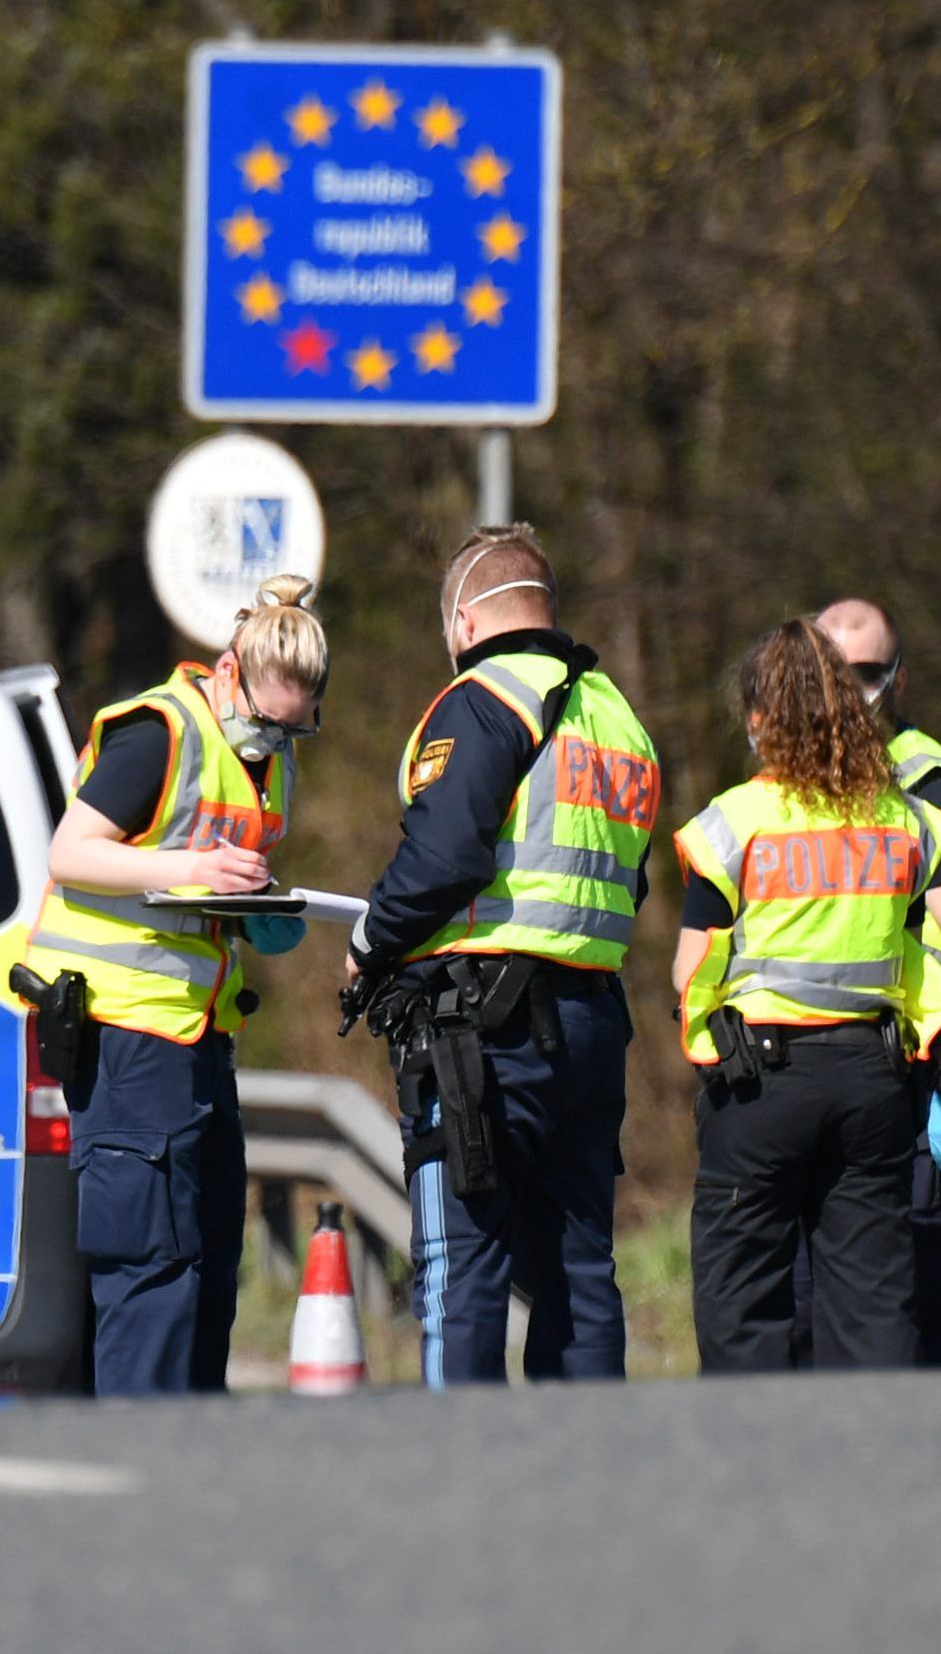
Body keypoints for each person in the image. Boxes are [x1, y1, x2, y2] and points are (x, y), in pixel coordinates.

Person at [344, 524, 660, 1388]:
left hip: (484, 1030)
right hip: (592, 1020)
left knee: (464, 1266)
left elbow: (445, 857)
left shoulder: (487, 697)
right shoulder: (619, 716)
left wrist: (368, 943)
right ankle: (583, 1472)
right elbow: (629, 882)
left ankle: (462, 1477)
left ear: (465, 618)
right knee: (578, 1268)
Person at [20, 575, 328, 1396]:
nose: (276, 740)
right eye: (267, 721)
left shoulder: (269, 765)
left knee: (204, 1274)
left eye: (296, 728)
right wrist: (188, 868)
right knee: (152, 1280)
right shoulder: (161, 734)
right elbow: (72, 851)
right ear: (230, 673)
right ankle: (142, 1470)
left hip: (198, 1042)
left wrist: (261, 907)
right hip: (126, 1040)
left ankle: (189, 1462)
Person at [672, 619, 941, 1372]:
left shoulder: (733, 822)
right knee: (874, 1300)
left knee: (742, 1300)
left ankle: (757, 1472)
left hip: (757, 1088)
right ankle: (871, 1467)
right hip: (873, 1084)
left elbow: (689, 969)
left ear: (759, 720)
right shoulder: (905, 818)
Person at [798, 597, 941, 1367]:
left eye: (868, 674)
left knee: (927, 1294)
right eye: (831, 674)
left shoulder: (934, 789)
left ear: (900, 679)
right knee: (815, 1303)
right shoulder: (793, 790)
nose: (850, 692)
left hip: (924, 1076)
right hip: (826, 1071)